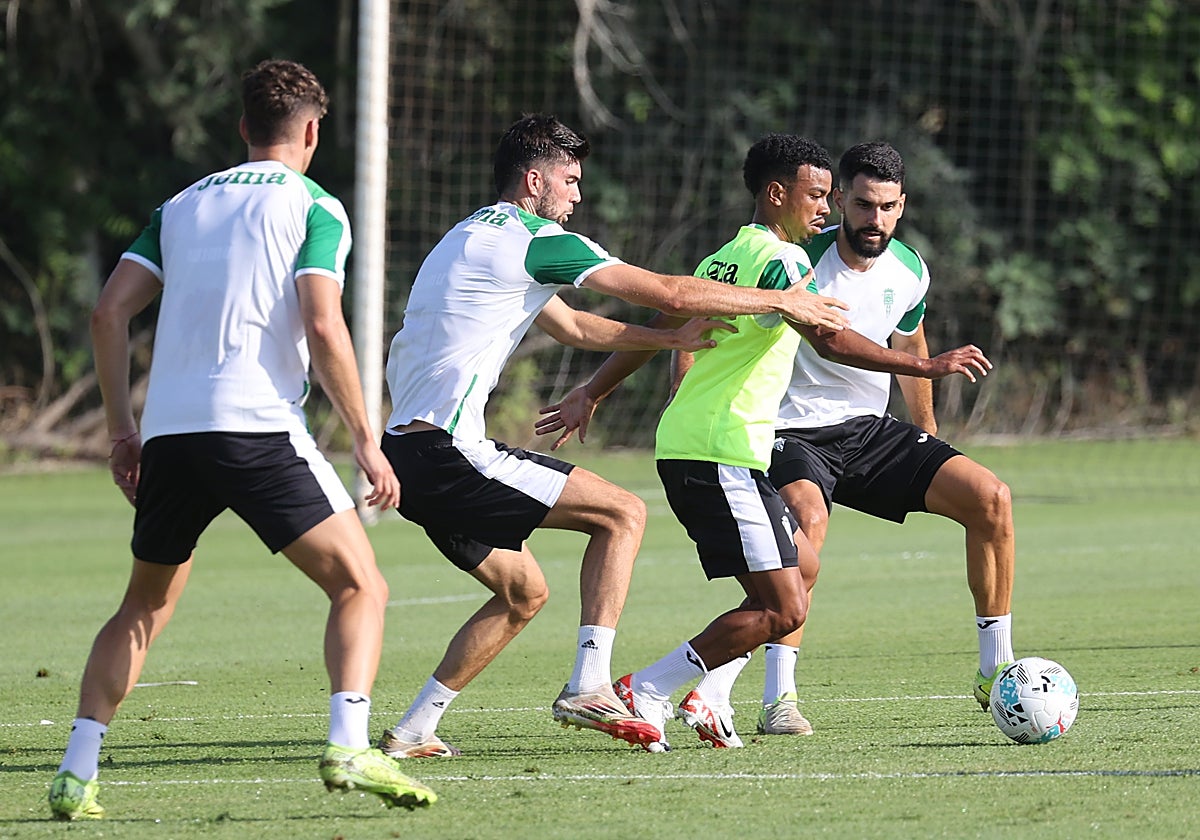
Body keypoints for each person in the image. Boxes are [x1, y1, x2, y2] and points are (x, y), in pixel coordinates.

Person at [376, 116, 850, 758]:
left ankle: (413, 729)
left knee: (523, 594)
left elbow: (572, 326)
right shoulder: (534, 240)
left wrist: (666, 340)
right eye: (569, 181)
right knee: (622, 513)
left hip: (403, 455)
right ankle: (592, 684)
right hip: (448, 451)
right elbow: (669, 289)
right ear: (533, 179)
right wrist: (781, 303)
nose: (576, 196)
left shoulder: (465, 237)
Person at [49, 59, 435, 820]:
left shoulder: (182, 203)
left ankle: (75, 773)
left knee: (143, 606)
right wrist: (365, 437)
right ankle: (350, 745)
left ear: (242, 128)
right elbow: (324, 322)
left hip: (171, 433)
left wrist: (124, 431)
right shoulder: (315, 205)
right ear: (313, 131)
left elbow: (107, 314)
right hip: (255, 427)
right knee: (361, 586)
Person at [536, 137, 993, 751]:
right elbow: (830, 340)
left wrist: (592, 391)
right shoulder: (785, 264)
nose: (826, 210)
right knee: (785, 608)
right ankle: (649, 688)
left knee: (802, 568)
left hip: (715, 448)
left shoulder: (727, 256)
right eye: (817, 196)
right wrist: (924, 368)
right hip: (718, 449)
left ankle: (708, 691)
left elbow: (658, 331)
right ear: (778, 195)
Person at [686, 140, 1013, 741]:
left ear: (903, 205)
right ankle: (778, 698)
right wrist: (927, 368)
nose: (876, 220)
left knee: (990, 498)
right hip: (789, 428)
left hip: (867, 429)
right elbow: (825, 340)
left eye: (888, 208)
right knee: (808, 522)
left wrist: (928, 434)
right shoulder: (795, 253)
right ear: (841, 201)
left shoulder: (911, 269)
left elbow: (908, 340)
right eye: (863, 206)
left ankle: (997, 672)